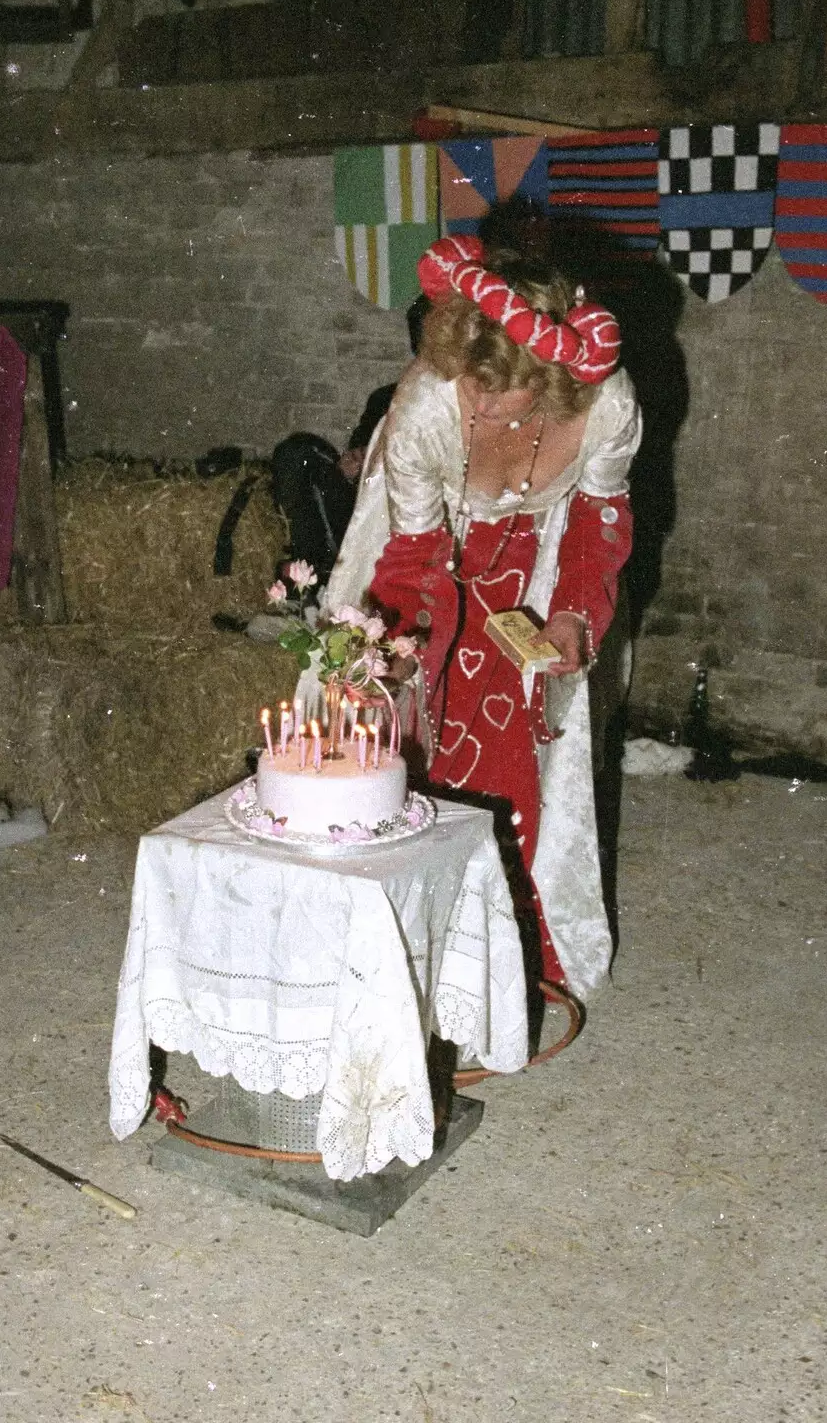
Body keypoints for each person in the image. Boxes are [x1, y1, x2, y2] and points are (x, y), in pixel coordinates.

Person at [324, 234, 642, 1002]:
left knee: (514, 743)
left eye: (503, 393)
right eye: (471, 383)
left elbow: (599, 532)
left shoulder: (607, 406)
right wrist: (393, 648)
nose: (480, 403)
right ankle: (392, 944)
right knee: (398, 728)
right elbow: (412, 557)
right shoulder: (429, 404)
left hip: (541, 550)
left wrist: (571, 617)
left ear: (555, 381)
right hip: (428, 544)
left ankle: (504, 949)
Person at [269, 385, 396, 587]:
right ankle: (308, 563)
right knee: (298, 452)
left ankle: (312, 566)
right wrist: (353, 463)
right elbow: (360, 443)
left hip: (386, 508)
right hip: (357, 493)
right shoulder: (384, 397)